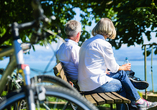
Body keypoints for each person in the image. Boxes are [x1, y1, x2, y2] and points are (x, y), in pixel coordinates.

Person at [78, 18, 157, 110]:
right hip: (95, 85)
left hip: (84, 84)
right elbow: (114, 68)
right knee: (122, 83)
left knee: (122, 76)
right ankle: (138, 100)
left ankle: (137, 100)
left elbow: (91, 63)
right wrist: (123, 67)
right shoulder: (104, 44)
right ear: (110, 29)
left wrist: (105, 70)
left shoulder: (86, 42)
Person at [56, 20, 81, 86]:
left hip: (70, 79)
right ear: (78, 34)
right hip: (80, 81)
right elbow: (81, 68)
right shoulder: (74, 48)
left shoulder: (61, 47)